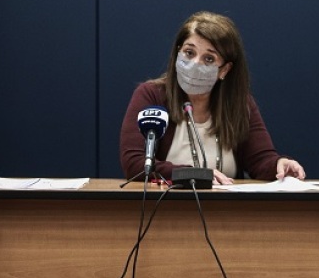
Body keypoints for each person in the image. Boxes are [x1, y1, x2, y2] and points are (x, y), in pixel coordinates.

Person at [120, 11, 305, 185]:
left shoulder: (240, 104)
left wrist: (279, 165)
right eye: (189, 53)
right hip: (168, 206)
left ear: (224, 70)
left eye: (209, 59)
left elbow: (260, 160)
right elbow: (135, 163)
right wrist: (193, 174)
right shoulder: (151, 96)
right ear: (178, 53)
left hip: (225, 207)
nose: (195, 64)